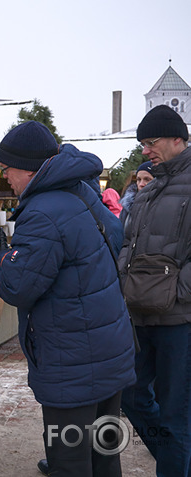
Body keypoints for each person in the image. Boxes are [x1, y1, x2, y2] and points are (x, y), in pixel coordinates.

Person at [0, 121, 136, 476]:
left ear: (27, 168)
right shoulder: (78, 191)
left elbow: (18, 287)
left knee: (69, 463)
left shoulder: (42, 211)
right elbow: (115, 234)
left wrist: (4, 259)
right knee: (104, 455)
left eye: (7, 169)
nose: (5, 177)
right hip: (108, 351)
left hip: (72, 363)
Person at [117, 105, 191, 476]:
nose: (145, 150)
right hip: (140, 314)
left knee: (176, 412)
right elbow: (128, 245)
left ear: (179, 138)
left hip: (181, 318)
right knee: (130, 395)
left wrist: (178, 290)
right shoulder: (148, 188)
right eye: (142, 143)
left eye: (151, 142)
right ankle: (175, 459)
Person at [118, 161, 154, 227]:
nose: (141, 184)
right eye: (139, 179)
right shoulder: (128, 206)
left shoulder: (163, 204)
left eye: (147, 179)